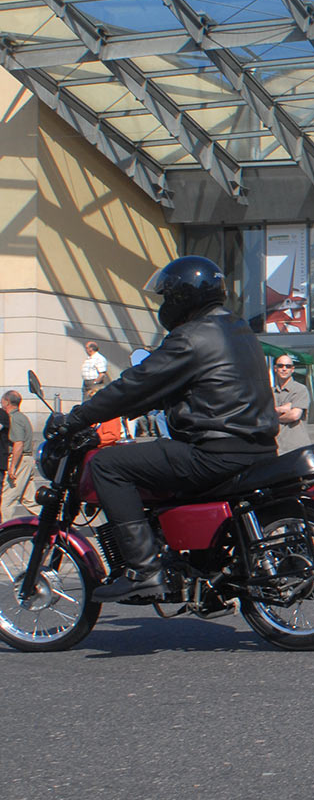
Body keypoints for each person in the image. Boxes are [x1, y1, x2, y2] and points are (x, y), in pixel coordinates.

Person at [60, 256, 279, 603]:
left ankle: (144, 570)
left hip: (213, 454)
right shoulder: (238, 330)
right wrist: (137, 406)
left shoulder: (190, 337)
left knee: (107, 465)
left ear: (181, 297)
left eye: (166, 297)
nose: (164, 304)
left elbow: (136, 383)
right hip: (259, 449)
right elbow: (182, 391)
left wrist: (77, 418)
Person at [1, 390, 34, 522]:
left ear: (7, 402)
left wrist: (12, 467)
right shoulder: (22, 417)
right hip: (27, 460)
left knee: (6, 501)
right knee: (30, 500)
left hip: (20, 461)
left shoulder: (14, 418)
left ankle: (5, 537)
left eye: (2, 400)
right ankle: (52, 523)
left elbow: (18, 443)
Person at [271, 357, 312, 454]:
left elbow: (294, 415)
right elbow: (263, 415)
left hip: (296, 447)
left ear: (292, 369)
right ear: (275, 368)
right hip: (276, 447)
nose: (284, 369)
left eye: (288, 366)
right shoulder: (270, 392)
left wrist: (273, 416)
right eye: (280, 366)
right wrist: (283, 409)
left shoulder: (300, 389)